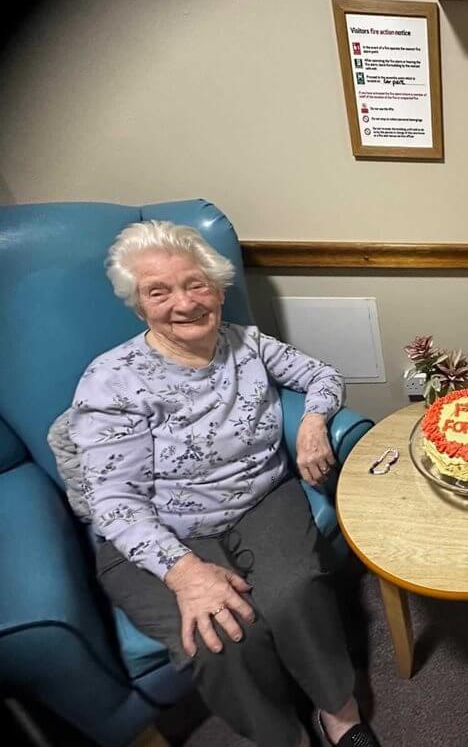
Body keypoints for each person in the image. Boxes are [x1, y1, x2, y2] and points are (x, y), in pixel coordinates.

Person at [61, 221, 381, 747]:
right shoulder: (110, 379)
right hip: (158, 532)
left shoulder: (248, 344)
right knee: (222, 636)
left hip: (261, 498)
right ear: (138, 305)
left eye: (195, 284)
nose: (183, 303)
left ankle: (339, 711)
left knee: (297, 594)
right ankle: (282, 737)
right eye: (157, 291)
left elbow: (322, 375)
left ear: (219, 289)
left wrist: (312, 421)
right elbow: (114, 500)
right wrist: (183, 572)